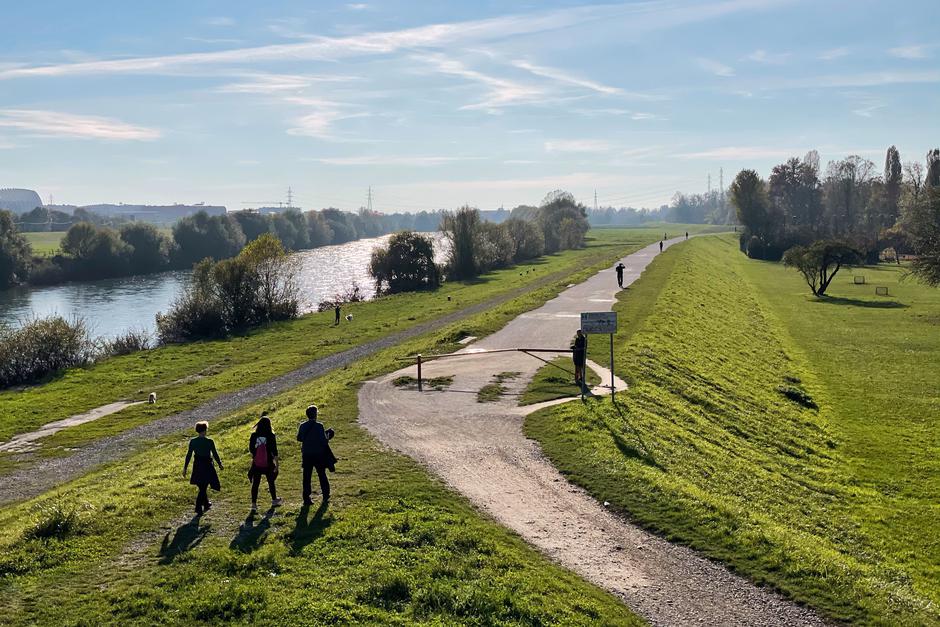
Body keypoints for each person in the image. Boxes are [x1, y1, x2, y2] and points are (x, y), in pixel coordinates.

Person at [297, 405, 337, 505]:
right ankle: (326, 494)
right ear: (315, 415)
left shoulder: (302, 425)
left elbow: (299, 438)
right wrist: (328, 435)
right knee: (321, 474)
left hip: (306, 454)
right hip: (318, 455)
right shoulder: (319, 426)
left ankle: (306, 498)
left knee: (307, 476)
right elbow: (323, 441)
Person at [183, 421, 223, 515]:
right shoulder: (209, 441)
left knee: (201, 485)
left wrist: (185, 467)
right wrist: (220, 464)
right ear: (205, 430)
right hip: (207, 465)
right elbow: (215, 453)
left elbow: (188, 455)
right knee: (203, 486)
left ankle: (206, 503)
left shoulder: (193, 441)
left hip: (197, 465)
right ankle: (198, 507)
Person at [248, 413, 283, 512]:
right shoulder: (271, 435)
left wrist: (256, 455)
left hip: (257, 463)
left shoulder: (254, 435)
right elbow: (274, 450)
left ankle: (254, 504)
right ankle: (274, 500)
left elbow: (251, 449)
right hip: (268, 462)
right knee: (271, 482)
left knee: (256, 483)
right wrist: (277, 464)